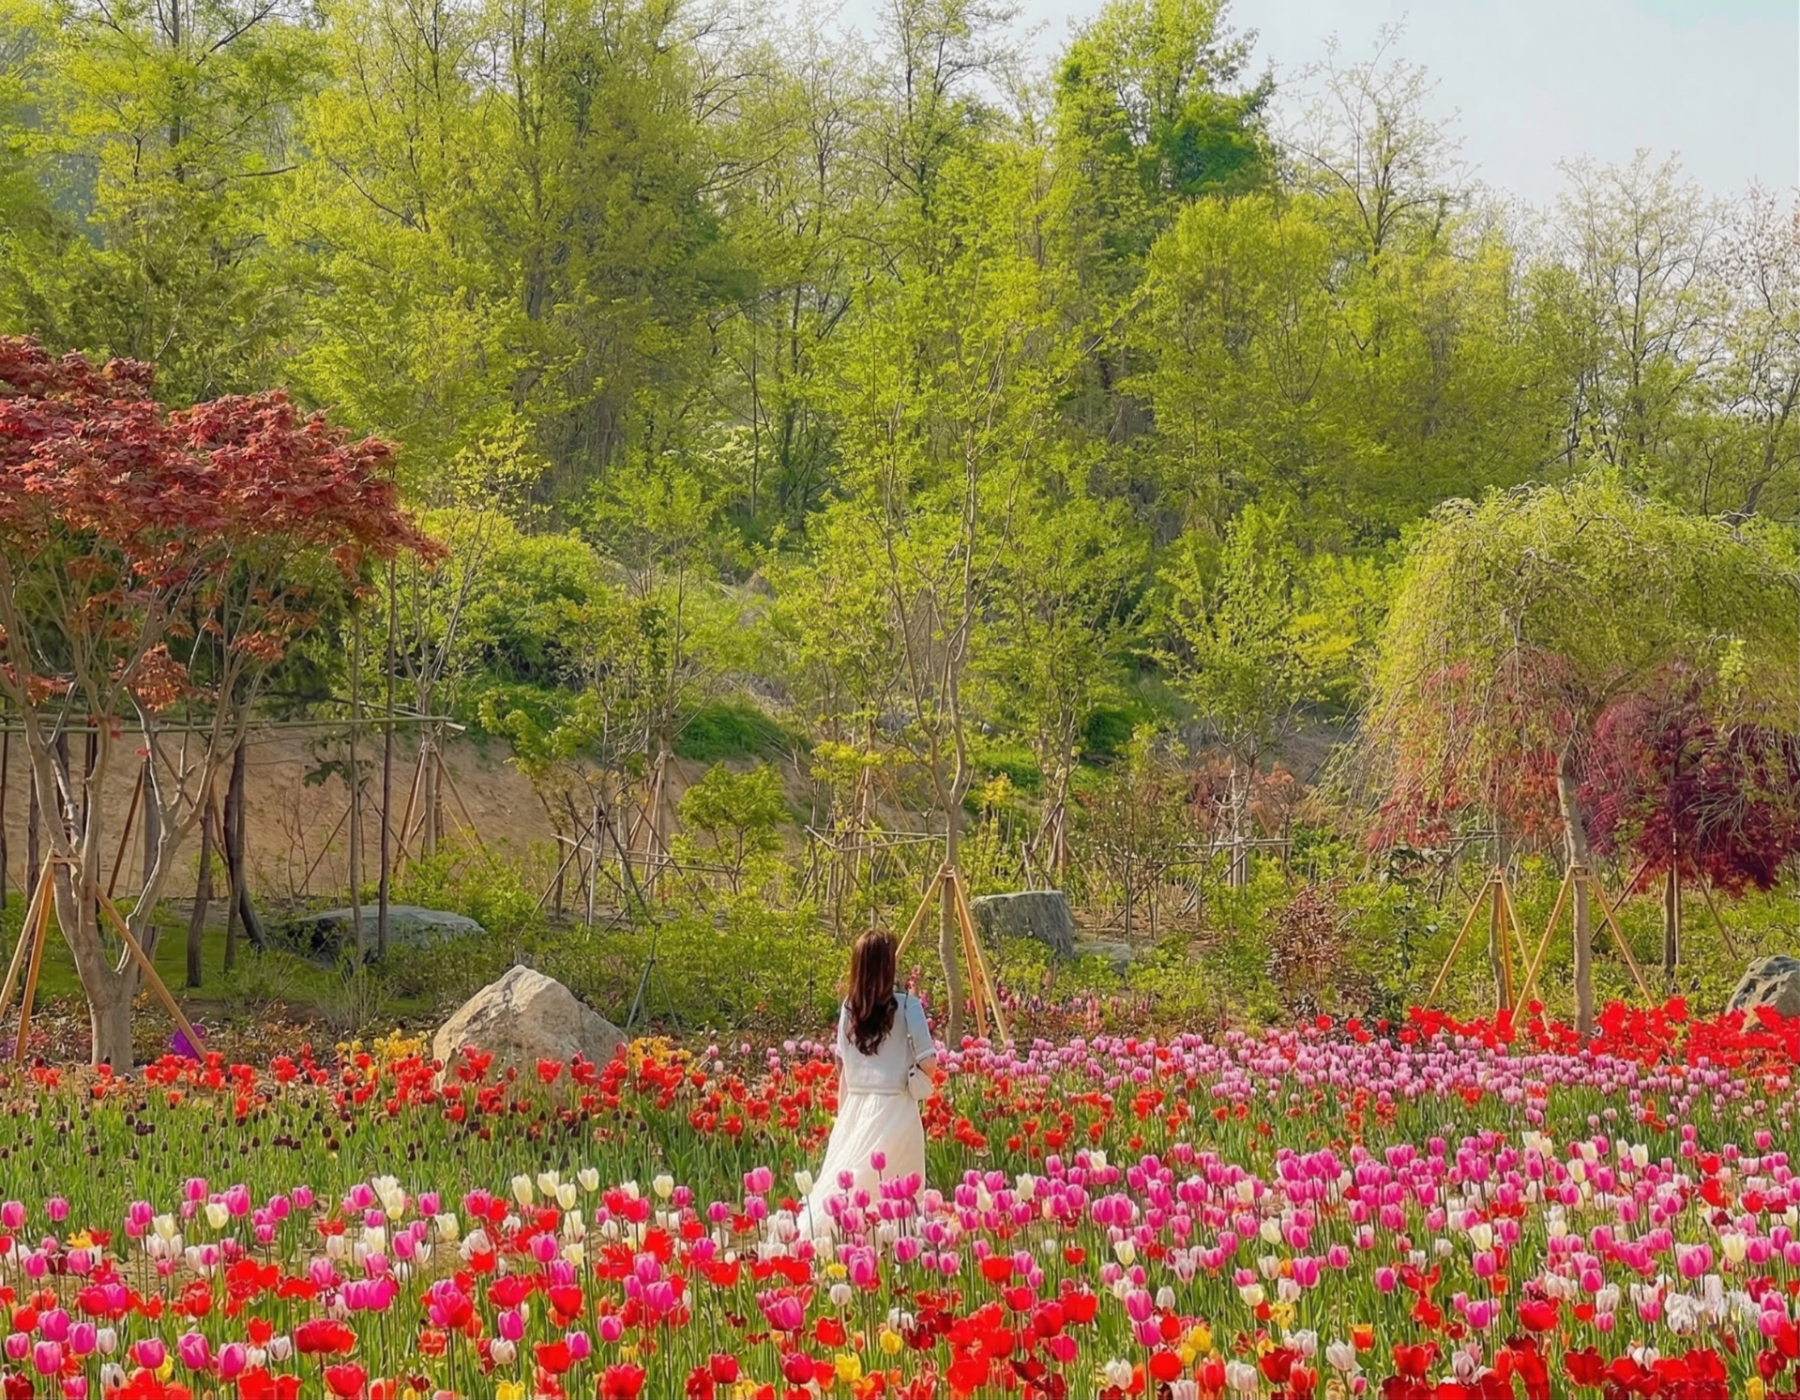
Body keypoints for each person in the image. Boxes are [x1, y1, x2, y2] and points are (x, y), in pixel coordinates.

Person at [801, 929, 937, 1237]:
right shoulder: (907, 1007)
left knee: (850, 1180)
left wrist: (843, 1122)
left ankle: (835, 1239)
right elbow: (929, 1061)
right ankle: (896, 1252)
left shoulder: (850, 1008)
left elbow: (844, 1070)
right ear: (887, 967)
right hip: (897, 1108)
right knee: (895, 1191)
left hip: (855, 1107)